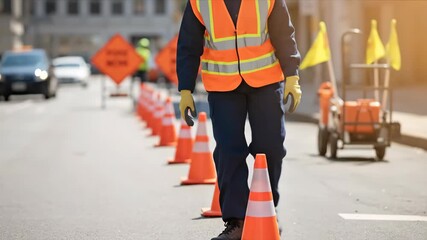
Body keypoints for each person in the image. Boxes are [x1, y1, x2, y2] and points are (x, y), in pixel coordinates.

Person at [177, 0, 301, 239]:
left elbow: (284, 34)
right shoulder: (199, 2)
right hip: (222, 87)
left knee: (271, 147)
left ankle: (266, 208)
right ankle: (237, 221)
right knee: (228, 151)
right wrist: (185, 89)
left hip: (265, 83)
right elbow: (188, 45)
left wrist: (292, 76)